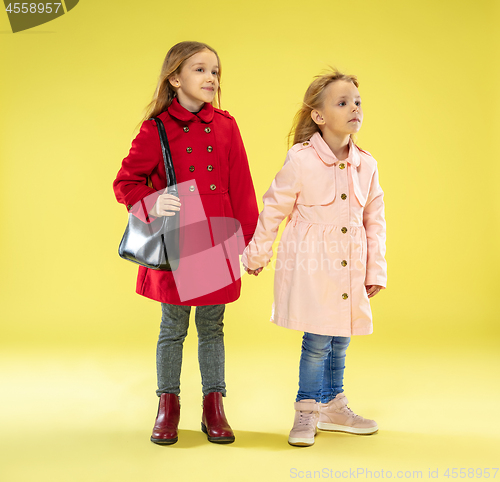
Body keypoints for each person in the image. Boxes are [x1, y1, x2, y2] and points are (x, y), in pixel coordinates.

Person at [113, 41, 258, 445]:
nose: (211, 78)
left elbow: (241, 186)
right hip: (178, 236)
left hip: (217, 235)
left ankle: (214, 406)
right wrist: (154, 200)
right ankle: (168, 405)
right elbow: (124, 183)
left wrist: (249, 243)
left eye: (215, 71)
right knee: (172, 326)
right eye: (200, 70)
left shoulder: (227, 125)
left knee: (213, 326)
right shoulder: (155, 128)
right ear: (175, 78)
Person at [242, 69, 387, 447]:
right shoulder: (301, 160)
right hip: (311, 263)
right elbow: (274, 208)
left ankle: (333, 405)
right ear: (319, 116)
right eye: (342, 102)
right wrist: (257, 253)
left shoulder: (366, 164)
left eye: (357, 101)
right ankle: (306, 410)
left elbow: (375, 220)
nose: (354, 108)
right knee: (318, 338)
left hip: (351, 263)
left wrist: (376, 269)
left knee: (341, 337)